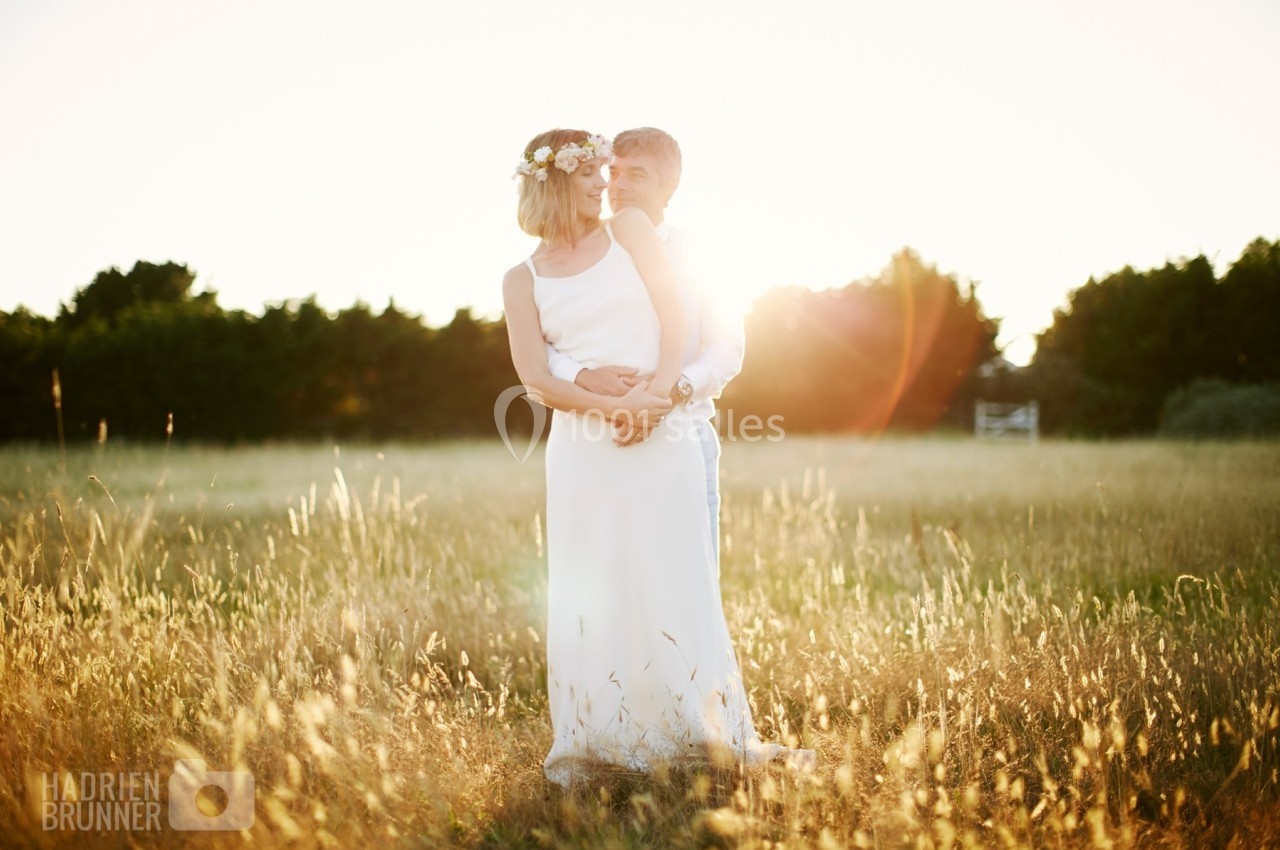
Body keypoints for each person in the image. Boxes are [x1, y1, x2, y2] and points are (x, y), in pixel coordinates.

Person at [502, 128, 813, 786]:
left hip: (665, 431)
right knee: (593, 588)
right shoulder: (519, 277)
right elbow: (535, 377)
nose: (605, 183)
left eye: (613, 173)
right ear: (555, 182)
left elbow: (680, 323)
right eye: (592, 172)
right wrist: (598, 398)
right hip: (584, 450)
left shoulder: (636, 235)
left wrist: (651, 400)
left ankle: (700, 736)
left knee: (676, 583)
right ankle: (599, 740)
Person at [544, 127, 744, 575]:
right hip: (598, 434)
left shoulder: (700, 254)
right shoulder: (574, 253)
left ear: (669, 186)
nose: (618, 186)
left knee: (688, 576)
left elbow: (727, 344)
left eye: (637, 175)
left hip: (680, 431)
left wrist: (667, 394)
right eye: (612, 173)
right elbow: (548, 339)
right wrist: (580, 375)